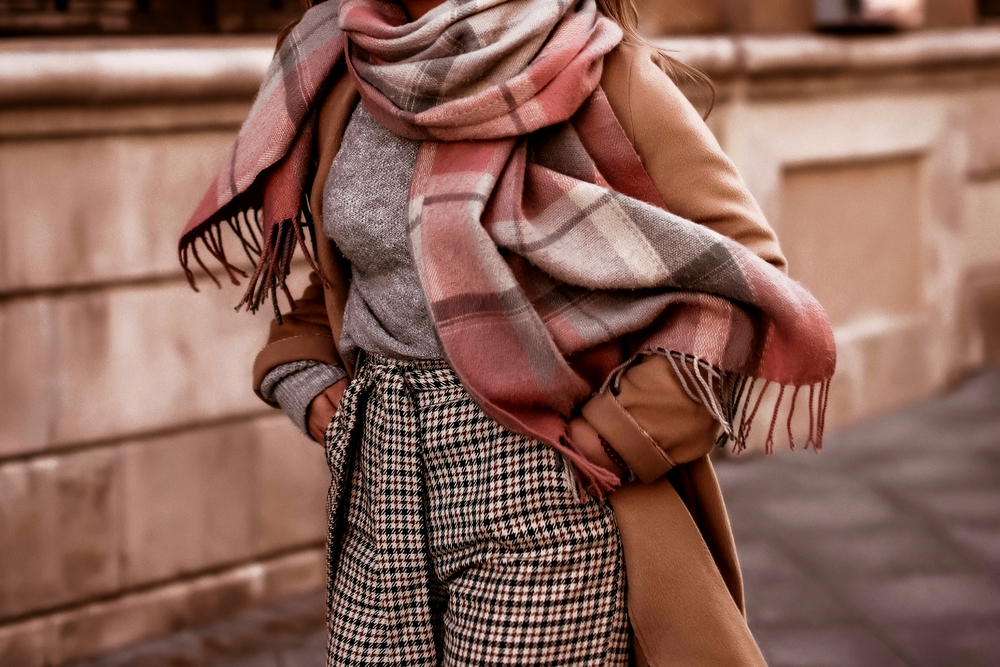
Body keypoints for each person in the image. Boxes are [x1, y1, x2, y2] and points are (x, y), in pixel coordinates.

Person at [179, 0, 836, 664]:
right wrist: (300, 367)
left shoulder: (596, 65)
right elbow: (356, 270)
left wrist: (621, 433)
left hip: (541, 474)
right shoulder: (343, 66)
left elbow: (744, 275)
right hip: (380, 475)